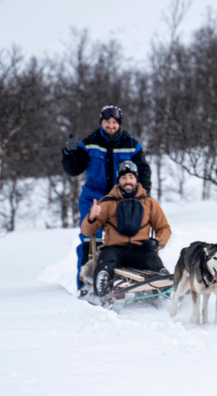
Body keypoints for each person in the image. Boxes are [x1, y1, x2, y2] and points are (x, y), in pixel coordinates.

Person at [62, 105, 152, 290]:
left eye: (114, 122)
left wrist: (142, 194)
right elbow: (73, 169)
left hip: (122, 201)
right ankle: (86, 284)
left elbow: (143, 170)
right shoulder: (89, 143)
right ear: (101, 122)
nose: (110, 126)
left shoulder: (132, 145)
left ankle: (127, 281)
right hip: (93, 199)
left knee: (126, 240)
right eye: (107, 122)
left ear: (119, 123)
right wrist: (68, 153)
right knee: (90, 240)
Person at [82, 161, 171, 296]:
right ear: (119, 181)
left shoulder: (149, 202)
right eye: (123, 178)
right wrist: (92, 217)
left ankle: (164, 283)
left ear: (136, 179)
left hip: (140, 248)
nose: (127, 181)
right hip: (115, 249)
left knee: (152, 259)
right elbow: (87, 231)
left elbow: (164, 227)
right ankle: (102, 283)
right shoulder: (107, 202)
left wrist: (158, 242)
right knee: (106, 260)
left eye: (131, 177)